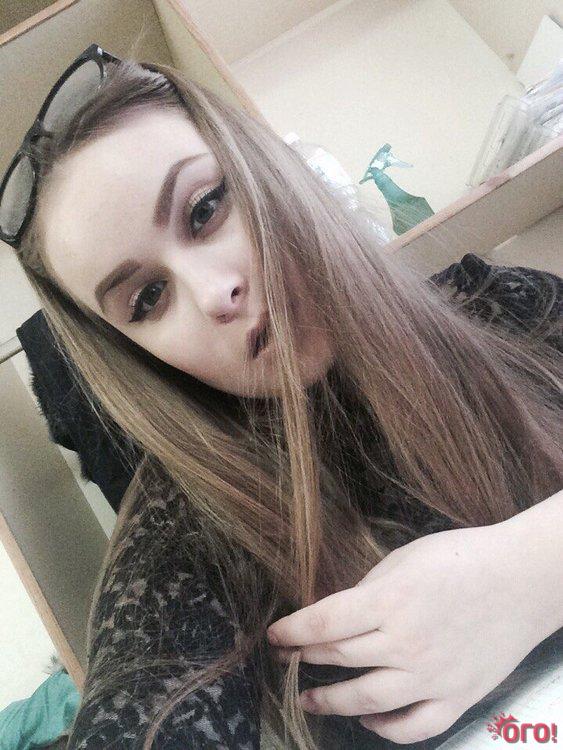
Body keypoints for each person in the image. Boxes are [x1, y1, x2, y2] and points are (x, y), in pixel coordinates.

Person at [2, 45, 561, 750]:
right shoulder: (186, 539)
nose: (215, 293)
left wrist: (531, 570)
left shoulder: (495, 307)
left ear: (266, 168)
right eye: (147, 298)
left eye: (205, 209)